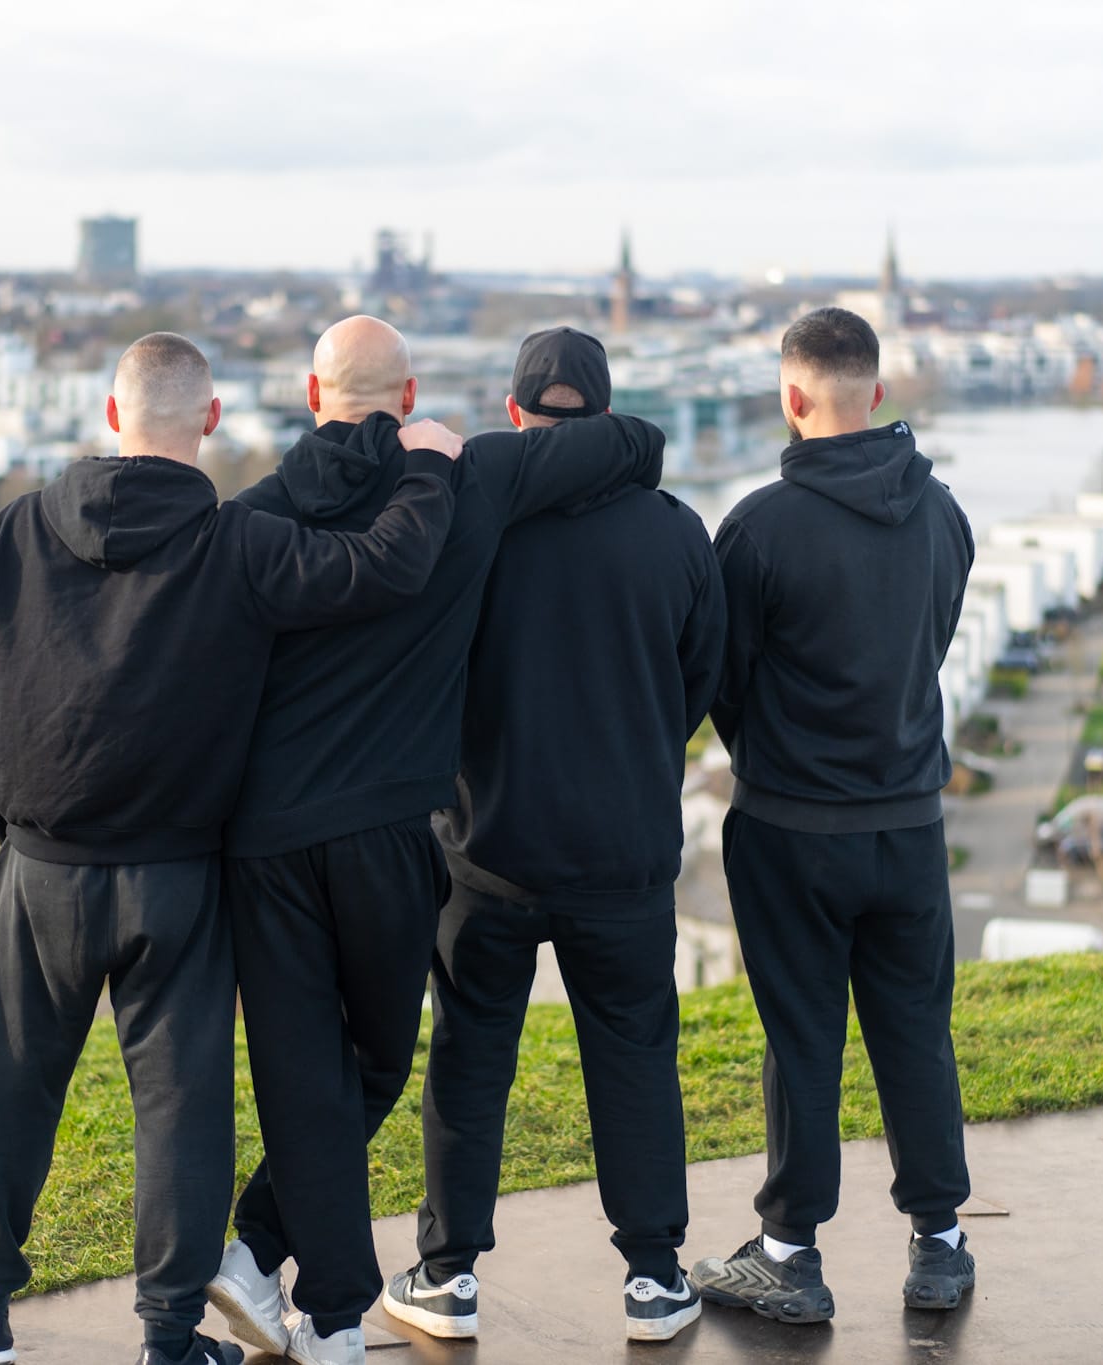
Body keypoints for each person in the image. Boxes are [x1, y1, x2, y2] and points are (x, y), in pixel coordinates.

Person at [0, 332, 465, 1365]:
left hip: (38, 869)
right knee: (179, 1116)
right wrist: (426, 465)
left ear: (109, 412)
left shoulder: (11, 534)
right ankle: (167, 1338)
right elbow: (383, 567)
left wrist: (9, 819)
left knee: (10, 1088)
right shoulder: (234, 546)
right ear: (209, 420)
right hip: (175, 878)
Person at [204, 317, 664, 1365]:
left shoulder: (256, 514)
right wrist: (466, 450)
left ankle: (259, 1265)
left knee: (301, 1073)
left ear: (309, 396)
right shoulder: (468, 480)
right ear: (408, 397)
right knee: (370, 1067)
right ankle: (322, 1311)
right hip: (380, 836)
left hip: (263, 842)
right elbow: (632, 444)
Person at [379, 326, 725, 1345]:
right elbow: (694, 683)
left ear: (516, 413)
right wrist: (635, 748)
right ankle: (654, 1278)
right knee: (633, 1057)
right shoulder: (673, 532)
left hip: (485, 849)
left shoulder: (467, 525)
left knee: (470, 1057)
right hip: (621, 851)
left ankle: (445, 1274)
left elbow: (422, 674)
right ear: (607, 414)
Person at [690, 307, 978, 1324]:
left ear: (790, 398)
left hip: (789, 827)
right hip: (906, 822)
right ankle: (938, 1246)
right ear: (877, 395)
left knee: (801, 1035)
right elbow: (930, 645)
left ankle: (788, 1253)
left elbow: (721, 679)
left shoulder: (758, 528)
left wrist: (766, 748)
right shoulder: (941, 515)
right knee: (914, 1030)